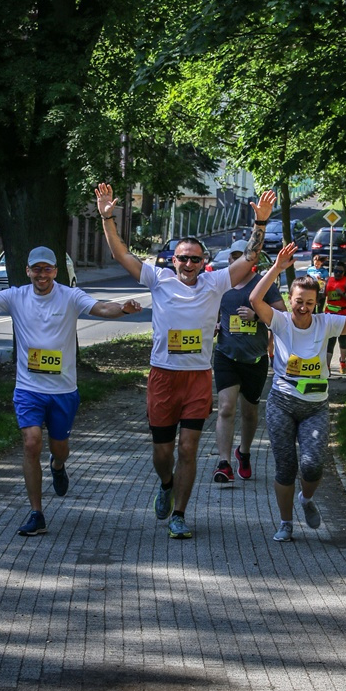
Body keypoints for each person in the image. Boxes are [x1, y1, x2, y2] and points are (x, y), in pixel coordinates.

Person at [0, 246, 142, 537]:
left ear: (55, 271)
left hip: (63, 391)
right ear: (28, 271)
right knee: (32, 443)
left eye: (47, 269)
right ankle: (37, 514)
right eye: (36, 269)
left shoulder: (70, 296)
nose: (41, 274)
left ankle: (58, 465)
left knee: (60, 449)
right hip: (28, 389)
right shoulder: (15, 296)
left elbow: (102, 308)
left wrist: (123, 308)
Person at [95, 182, 276, 539]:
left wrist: (261, 223)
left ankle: (179, 514)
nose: (189, 264)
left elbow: (250, 259)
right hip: (163, 377)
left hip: (197, 378)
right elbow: (121, 255)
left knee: (189, 448)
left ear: (204, 262)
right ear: (173, 260)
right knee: (163, 453)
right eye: (183, 258)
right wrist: (107, 218)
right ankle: (166, 484)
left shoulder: (216, 283)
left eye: (195, 259)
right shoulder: (158, 279)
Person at [250, 243, 346, 542]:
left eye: (309, 303)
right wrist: (277, 269)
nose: (303, 307)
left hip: (315, 406)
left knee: (312, 465)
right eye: (299, 301)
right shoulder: (280, 321)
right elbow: (255, 299)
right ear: (290, 299)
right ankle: (285, 523)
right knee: (286, 467)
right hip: (282, 403)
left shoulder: (326, 323)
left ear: (316, 303)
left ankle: (306, 499)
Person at [212, 238, 287, 484]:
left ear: (251, 259)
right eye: (232, 257)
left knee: (250, 412)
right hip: (226, 355)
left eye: (240, 257)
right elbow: (208, 311)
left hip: (255, 358)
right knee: (226, 408)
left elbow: (283, 316)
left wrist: (257, 316)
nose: (235, 261)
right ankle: (224, 463)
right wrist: (213, 324)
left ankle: (243, 453)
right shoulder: (221, 284)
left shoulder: (263, 284)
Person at [324, 260, 346, 373]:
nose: (337, 273)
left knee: (342, 340)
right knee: (330, 340)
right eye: (335, 271)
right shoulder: (329, 280)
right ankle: (327, 366)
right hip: (330, 314)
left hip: (343, 314)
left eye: (340, 272)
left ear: (344, 272)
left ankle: (343, 361)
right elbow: (324, 295)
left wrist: (342, 294)